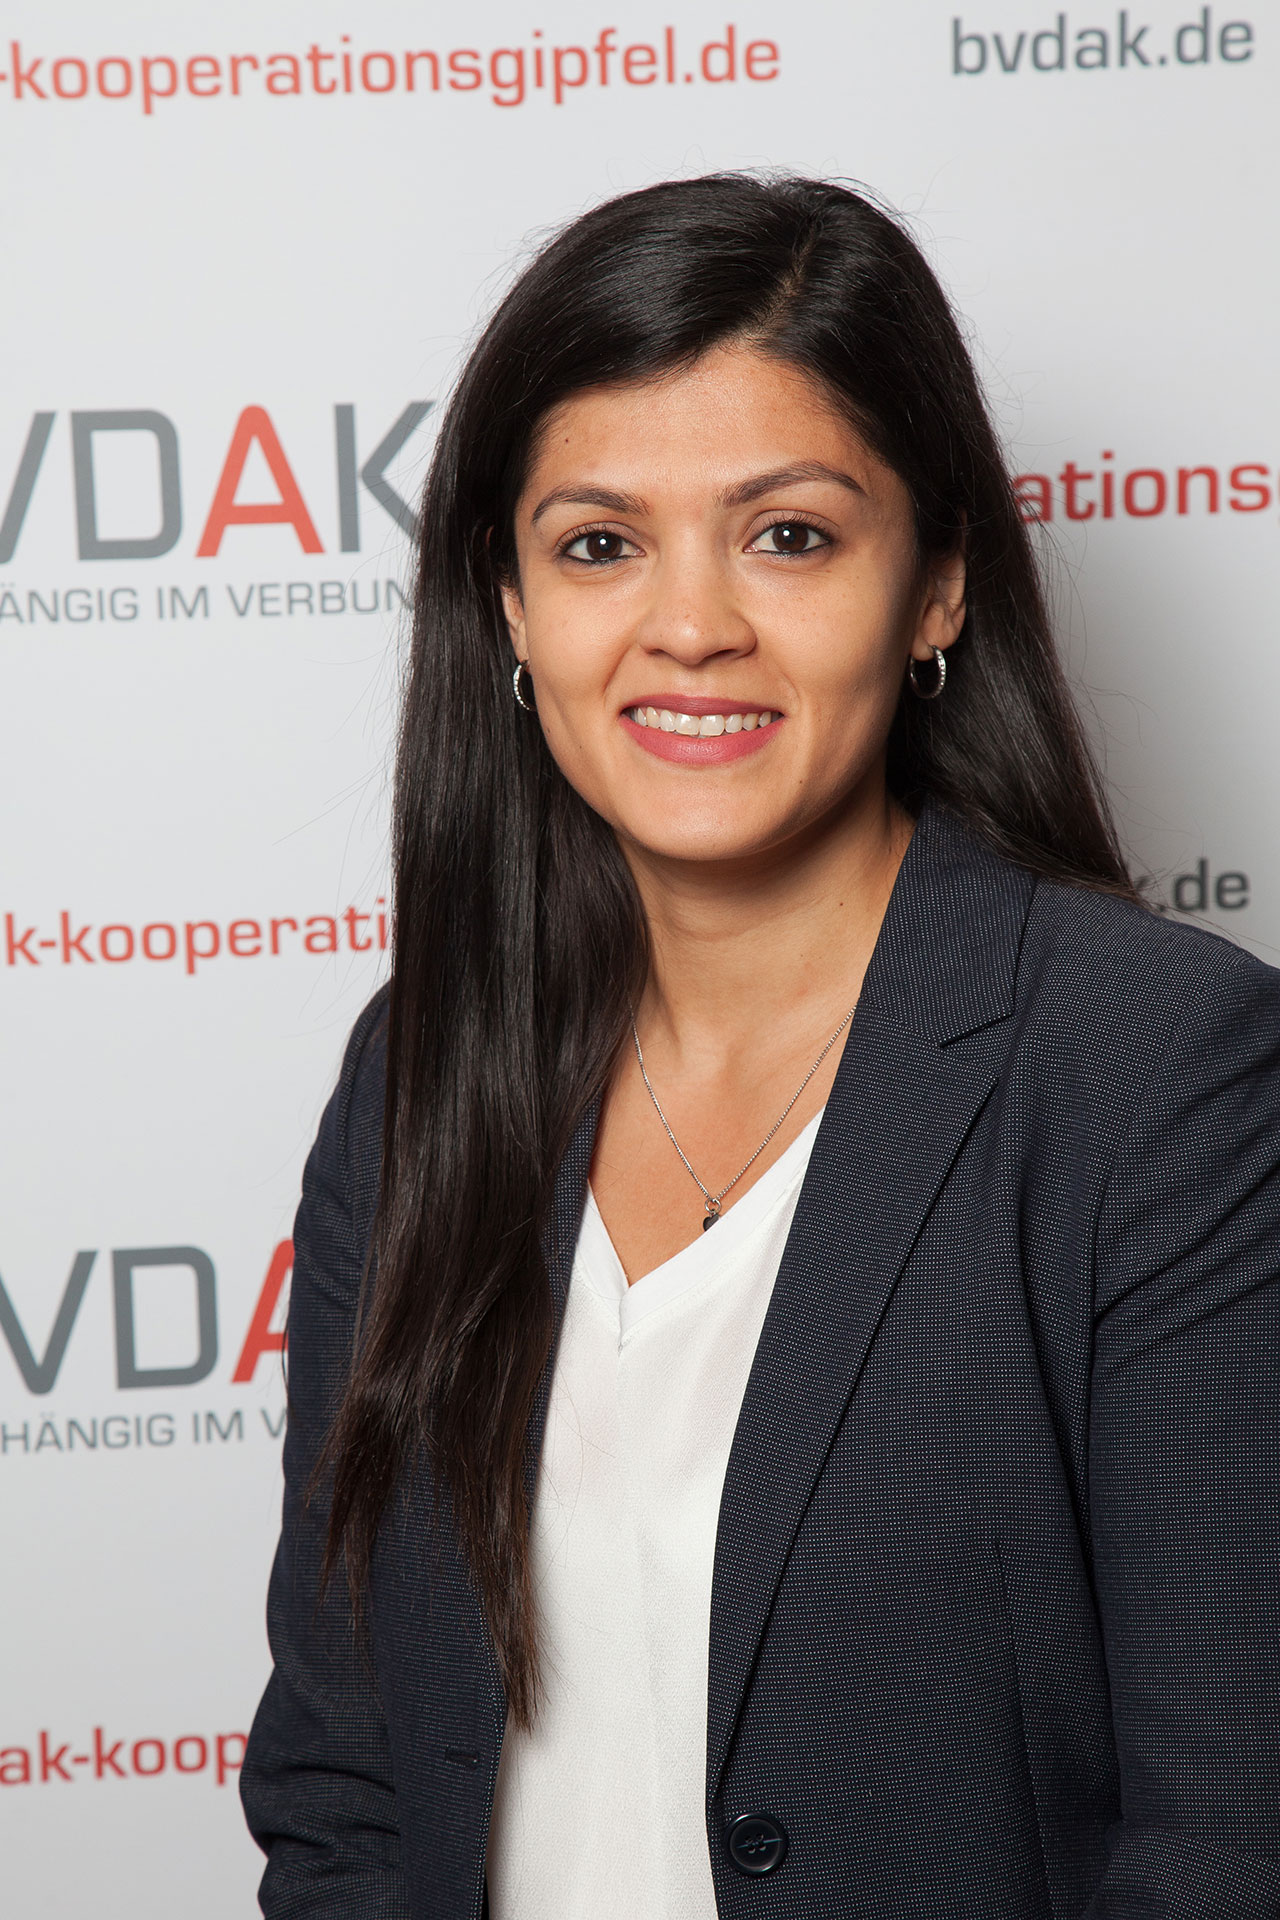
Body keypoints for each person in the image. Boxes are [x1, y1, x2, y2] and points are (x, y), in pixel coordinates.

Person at [240, 175, 1280, 1919]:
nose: (691, 625)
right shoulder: (422, 1073)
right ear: (509, 605)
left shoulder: (1152, 1071)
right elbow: (342, 1787)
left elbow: (1229, 1835)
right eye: (598, 544)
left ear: (938, 584)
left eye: (788, 535)